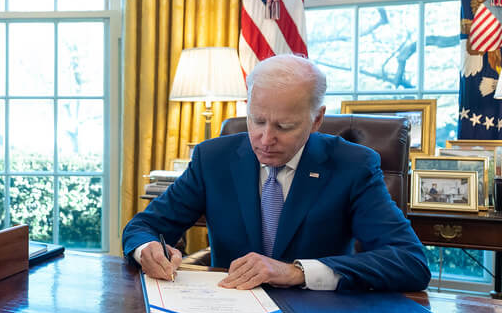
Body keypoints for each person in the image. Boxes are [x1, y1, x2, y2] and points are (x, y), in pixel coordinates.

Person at [122, 54, 431, 293]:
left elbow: (410, 262)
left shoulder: (352, 165)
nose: (266, 139)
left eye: (284, 126)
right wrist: (146, 249)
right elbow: (144, 226)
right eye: (257, 120)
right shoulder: (213, 158)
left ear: (316, 120)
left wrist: (297, 272)